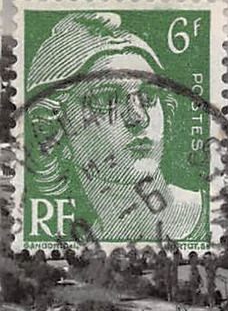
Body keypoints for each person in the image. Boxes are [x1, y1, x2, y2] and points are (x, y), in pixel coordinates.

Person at [24, 12, 206, 247]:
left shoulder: (206, 215)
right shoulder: (86, 241)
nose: (138, 118)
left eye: (149, 95)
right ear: (52, 130)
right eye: (106, 98)